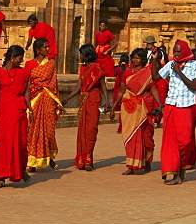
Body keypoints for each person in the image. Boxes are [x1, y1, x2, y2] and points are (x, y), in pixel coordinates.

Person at [151, 39, 196, 185]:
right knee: (170, 142)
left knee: (185, 141)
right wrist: (155, 61)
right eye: (174, 51)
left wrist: (179, 72)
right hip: (170, 106)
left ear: (185, 51)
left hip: (185, 107)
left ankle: (182, 169)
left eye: (179, 51)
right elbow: (156, 77)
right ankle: (173, 172)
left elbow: (194, 86)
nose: (176, 53)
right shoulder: (170, 64)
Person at [113, 47, 162, 175]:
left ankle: (147, 160)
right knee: (129, 135)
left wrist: (160, 105)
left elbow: (153, 90)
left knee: (146, 136)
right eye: (133, 58)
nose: (134, 60)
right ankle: (131, 165)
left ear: (143, 59)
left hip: (144, 107)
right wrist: (113, 107)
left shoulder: (148, 73)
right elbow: (121, 91)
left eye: (137, 58)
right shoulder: (127, 73)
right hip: (128, 107)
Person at [0, 44, 31, 188]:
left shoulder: (24, 73)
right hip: (5, 111)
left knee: (20, 142)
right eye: (19, 58)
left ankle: (21, 169)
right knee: (5, 144)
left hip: (18, 110)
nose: (21, 61)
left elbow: (26, 92)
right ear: (11, 58)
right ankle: (2, 177)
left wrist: (31, 109)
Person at [63, 43, 109, 171]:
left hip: (94, 99)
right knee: (82, 130)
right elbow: (78, 86)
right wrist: (67, 98)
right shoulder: (83, 69)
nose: (80, 56)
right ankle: (82, 159)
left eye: (81, 54)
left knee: (91, 130)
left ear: (86, 54)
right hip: (83, 100)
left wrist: (107, 103)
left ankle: (89, 160)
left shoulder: (97, 67)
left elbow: (104, 86)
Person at [25, 37, 61, 172]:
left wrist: (58, 101)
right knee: (32, 130)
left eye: (48, 46)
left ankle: (49, 157)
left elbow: (53, 84)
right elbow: (27, 83)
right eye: (45, 47)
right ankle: (32, 161)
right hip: (34, 99)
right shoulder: (29, 65)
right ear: (37, 50)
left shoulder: (51, 64)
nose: (48, 49)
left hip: (48, 99)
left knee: (49, 130)